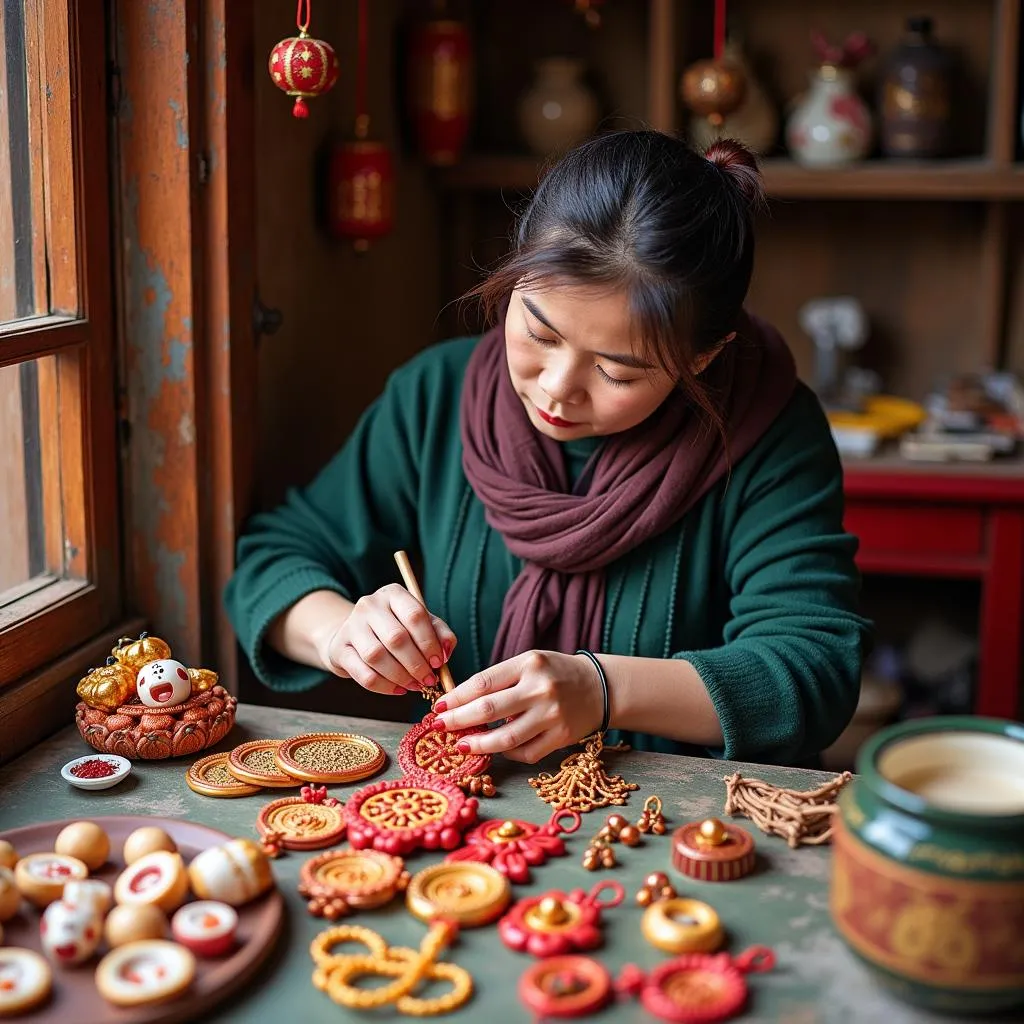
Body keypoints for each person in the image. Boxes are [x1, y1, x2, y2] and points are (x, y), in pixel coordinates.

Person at [224, 130, 871, 768]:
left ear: (703, 355)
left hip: (682, 829)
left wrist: (602, 689)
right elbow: (271, 561)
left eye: (617, 372)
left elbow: (813, 670)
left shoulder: (768, 431)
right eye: (538, 331)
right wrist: (338, 631)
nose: (558, 389)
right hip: (471, 814)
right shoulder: (437, 396)